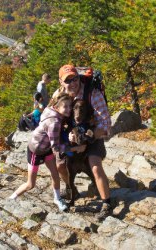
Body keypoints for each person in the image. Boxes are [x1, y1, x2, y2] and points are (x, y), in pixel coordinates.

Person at [53, 64, 112, 220]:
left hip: (92, 134)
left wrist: (88, 139)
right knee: (59, 165)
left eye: (75, 78)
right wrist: (65, 138)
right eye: (68, 80)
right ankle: (70, 187)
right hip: (69, 137)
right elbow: (51, 117)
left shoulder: (92, 93)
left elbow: (105, 123)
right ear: (61, 82)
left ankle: (106, 203)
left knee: (95, 166)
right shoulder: (58, 95)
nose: (72, 83)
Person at [9, 92, 86, 212]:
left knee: (55, 175)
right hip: (36, 151)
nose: (69, 109)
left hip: (46, 149)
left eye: (70, 106)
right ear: (57, 107)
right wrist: (75, 148)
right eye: (65, 106)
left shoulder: (49, 109)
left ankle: (57, 198)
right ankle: (11, 198)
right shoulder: (54, 123)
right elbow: (56, 147)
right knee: (30, 184)